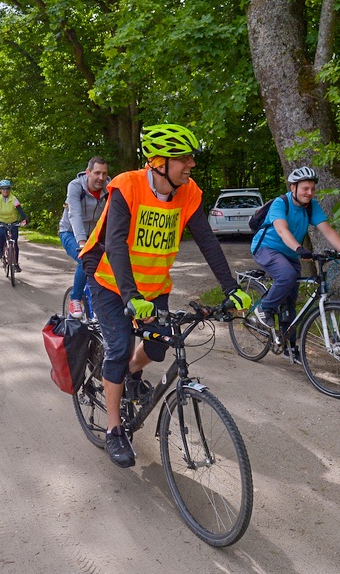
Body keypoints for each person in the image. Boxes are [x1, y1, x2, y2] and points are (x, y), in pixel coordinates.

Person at [79, 124, 251, 468]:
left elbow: (207, 241)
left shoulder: (188, 193)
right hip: (110, 280)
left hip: (154, 284)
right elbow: (114, 244)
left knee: (157, 346)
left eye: (190, 158)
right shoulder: (127, 186)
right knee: (119, 346)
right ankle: (115, 430)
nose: (191, 165)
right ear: (159, 163)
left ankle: (128, 374)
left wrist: (231, 287)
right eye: (183, 159)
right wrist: (130, 297)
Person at [250, 166, 340, 362]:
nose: (309, 192)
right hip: (266, 248)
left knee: (291, 301)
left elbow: (327, 230)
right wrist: (300, 249)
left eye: (312, 189)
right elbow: (282, 231)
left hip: (289, 253)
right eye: (305, 188)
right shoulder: (280, 203)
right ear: (293, 188)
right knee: (287, 276)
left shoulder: (311, 206)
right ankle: (264, 308)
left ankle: (289, 348)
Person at [58, 157, 109, 318]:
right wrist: (82, 242)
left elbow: (114, 216)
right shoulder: (75, 186)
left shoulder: (110, 188)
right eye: (97, 173)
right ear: (88, 172)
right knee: (85, 259)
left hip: (94, 235)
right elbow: (75, 215)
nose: (101, 178)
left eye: (104, 174)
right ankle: (75, 299)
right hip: (70, 233)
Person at [0, 180, 28, 272]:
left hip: (12, 221)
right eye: (3, 189)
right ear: (0, 190)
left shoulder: (13, 198)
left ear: (9, 190)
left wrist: (24, 219)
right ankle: (1, 251)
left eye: (7, 189)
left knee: (14, 242)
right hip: (0, 220)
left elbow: (20, 210)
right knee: (2, 235)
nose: (5, 191)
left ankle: (16, 264)